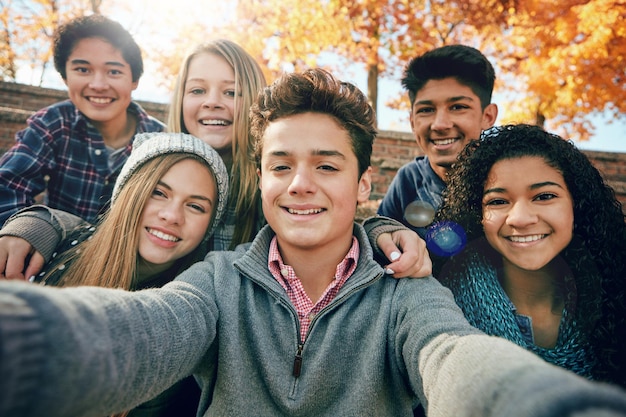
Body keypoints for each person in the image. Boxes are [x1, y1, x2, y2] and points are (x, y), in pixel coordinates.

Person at [2, 69, 626, 417]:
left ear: (364, 184)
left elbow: (453, 357)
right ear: (261, 176)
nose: (300, 185)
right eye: (281, 165)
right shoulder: (217, 282)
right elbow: (136, 331)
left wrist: (545, 404)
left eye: (326, 166)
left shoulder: (406, 290)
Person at [0, 38, 431, 282]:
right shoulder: (153, 156)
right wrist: (39, 223)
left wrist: (381, 229)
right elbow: (103, 228)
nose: (214, 104)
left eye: (231, 91)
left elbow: (322, 218)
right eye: (198, 90)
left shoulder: (271, 180)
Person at [34, 131, 228, 417]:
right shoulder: (48, 253)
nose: (172, 216)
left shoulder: (188, 312)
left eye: (196, 206)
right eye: (158, 193)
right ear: (129, 192)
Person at [434, 124, 626, 387]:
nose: (521, 219)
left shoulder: (616, 295)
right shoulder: (439, 300)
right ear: (478, 216)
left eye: (544, 196)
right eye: (498, 201)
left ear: (577, 205)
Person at [0, 14, 165, 225]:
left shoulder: (160, 141)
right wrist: (27, 229)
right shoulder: (54, 123)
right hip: (56, 252)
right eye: (83, 70)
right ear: (65, 77)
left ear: (134, 80)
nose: (98, 84)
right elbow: (7, 188)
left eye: (114, 71)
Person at [376, 44, 498, 238]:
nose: (440, 124)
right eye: (426, 110)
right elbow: (378, 238)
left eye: (458, 107)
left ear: (488, 116)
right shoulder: (409, 182)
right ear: (412, 121)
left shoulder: (506, 176)